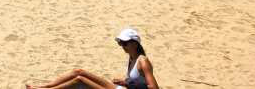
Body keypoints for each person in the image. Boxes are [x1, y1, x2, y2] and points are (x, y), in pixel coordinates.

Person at [26, 27, 157, 88]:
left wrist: (127, 83)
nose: (122, 46)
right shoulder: (131, 58)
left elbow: (153, 88)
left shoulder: (143, 61)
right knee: (79, 71)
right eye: (120, 43)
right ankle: (46, 86)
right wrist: (124, 81)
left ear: (135, 43)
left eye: (124, 43)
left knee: (79, 80)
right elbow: (137, 81)